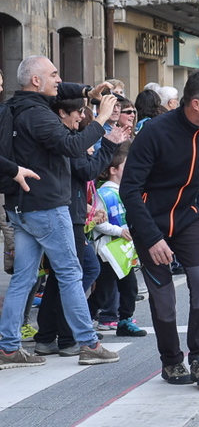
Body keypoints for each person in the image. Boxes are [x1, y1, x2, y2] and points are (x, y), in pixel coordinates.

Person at [122, 69, 199, 387]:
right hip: (150, 223)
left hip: (187, 218)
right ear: (195, 103)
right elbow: (129, 190)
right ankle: (171, 361)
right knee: (164, 297)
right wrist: (151, 238)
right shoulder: (155, 132)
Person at [0, 56, 120, 369]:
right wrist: (101, 119)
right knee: (69, 273)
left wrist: (89, 91)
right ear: (37, 81)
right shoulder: (39, 115)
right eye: (53, 74)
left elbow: (61, 90)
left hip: (20, 207)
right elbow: (72, 145)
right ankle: (88, 343)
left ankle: (8, 347)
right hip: (46, 206)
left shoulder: (15, 105)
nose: (58, 79)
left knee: (24, 280)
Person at [34, 100, 130, 354]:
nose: (91, 140)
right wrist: (108, 143)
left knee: (64, 275)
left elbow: (81, 176)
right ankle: (66, 337)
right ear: (64, 114)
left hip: (71, 214)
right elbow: (87, 171)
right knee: (74, 273)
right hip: (65, 217)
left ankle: (48, 335)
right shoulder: (67, 141)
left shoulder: (68, 139)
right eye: (80, 115)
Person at [90, 141, 147, 338]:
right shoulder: (104, 193)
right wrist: (118, 231)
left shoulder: (126, 191)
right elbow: (97, 221)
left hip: (124, 251)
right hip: (107, 251)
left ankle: (125, 320)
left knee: (130, 287)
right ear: (113, 170)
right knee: (103, 291)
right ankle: (86, 322)